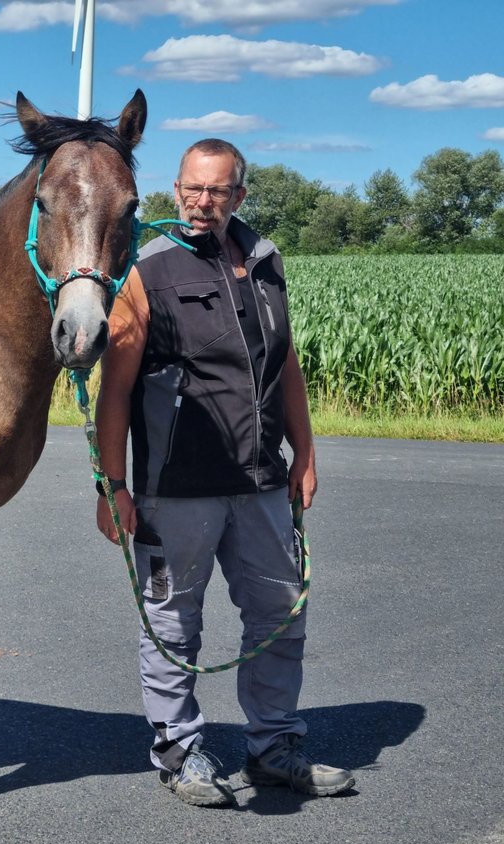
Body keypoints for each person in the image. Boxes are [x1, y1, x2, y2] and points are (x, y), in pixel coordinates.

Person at [94, 138, 355, 807]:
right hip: (175, 487)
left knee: (278, 614)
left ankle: (275, 747)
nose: (201, 202)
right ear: (175, 190)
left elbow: (284, 365)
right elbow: (114, 391)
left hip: (263, 481)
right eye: (190, 189)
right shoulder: (146, 272)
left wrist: (307, 454)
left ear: (240, 194)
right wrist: (112, 486)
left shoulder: (266, 260)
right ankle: (180, 754)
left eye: (215, 191)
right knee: (173, 623)